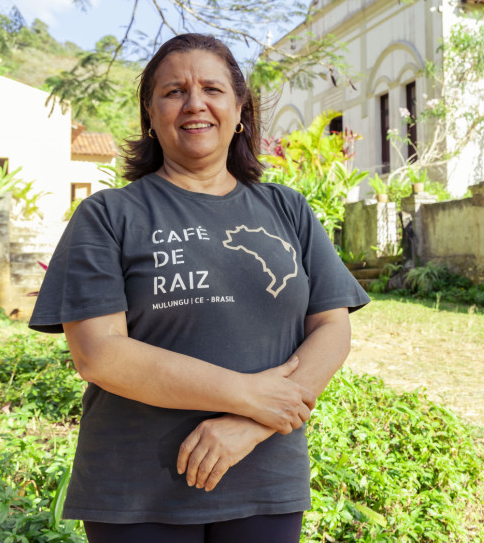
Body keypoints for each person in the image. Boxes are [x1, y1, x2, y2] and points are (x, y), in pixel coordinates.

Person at [29, 33, 369, 543]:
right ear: (149, 114)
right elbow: (99, 354)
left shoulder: (288, 210)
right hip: (138, 489)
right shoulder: (108, 216)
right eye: (173, 92)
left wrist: (251, 424)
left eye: (212, 88)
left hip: (264, 476)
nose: (194, 104)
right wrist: (247, 394)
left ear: (238, 108)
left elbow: (331, 328)